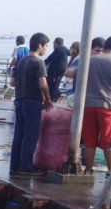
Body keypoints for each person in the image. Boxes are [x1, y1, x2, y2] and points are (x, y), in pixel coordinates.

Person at [9, 33, 52, 176]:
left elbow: (12, 82)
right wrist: (48, 98)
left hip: (19, 100)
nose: (46, 49)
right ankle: (26, 166)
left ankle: (14, 165)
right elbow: (43, 84)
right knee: (31, 134)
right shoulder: (38, 62)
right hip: (33, 101)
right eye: (45, 46)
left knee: (19, 133)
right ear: (40, 45)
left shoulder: (21, 61)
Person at [81, 36, 111, 173]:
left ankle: (88, 169)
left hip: (87, 105)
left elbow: (75, 74)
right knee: (109, 142)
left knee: (89, 140)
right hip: (106, 106)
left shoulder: (90, 60)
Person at [44, 38, 70, 102]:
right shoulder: (64, 49)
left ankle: (54, 99)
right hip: (61, 72)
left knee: (52, 87)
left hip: (56, 72)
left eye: (53, 43)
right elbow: (69, 53)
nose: (53, 45)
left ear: (56, 43)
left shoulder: (58, 49)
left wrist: (42, 63)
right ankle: (56, 96)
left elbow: (50, 58)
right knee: (54, 85)